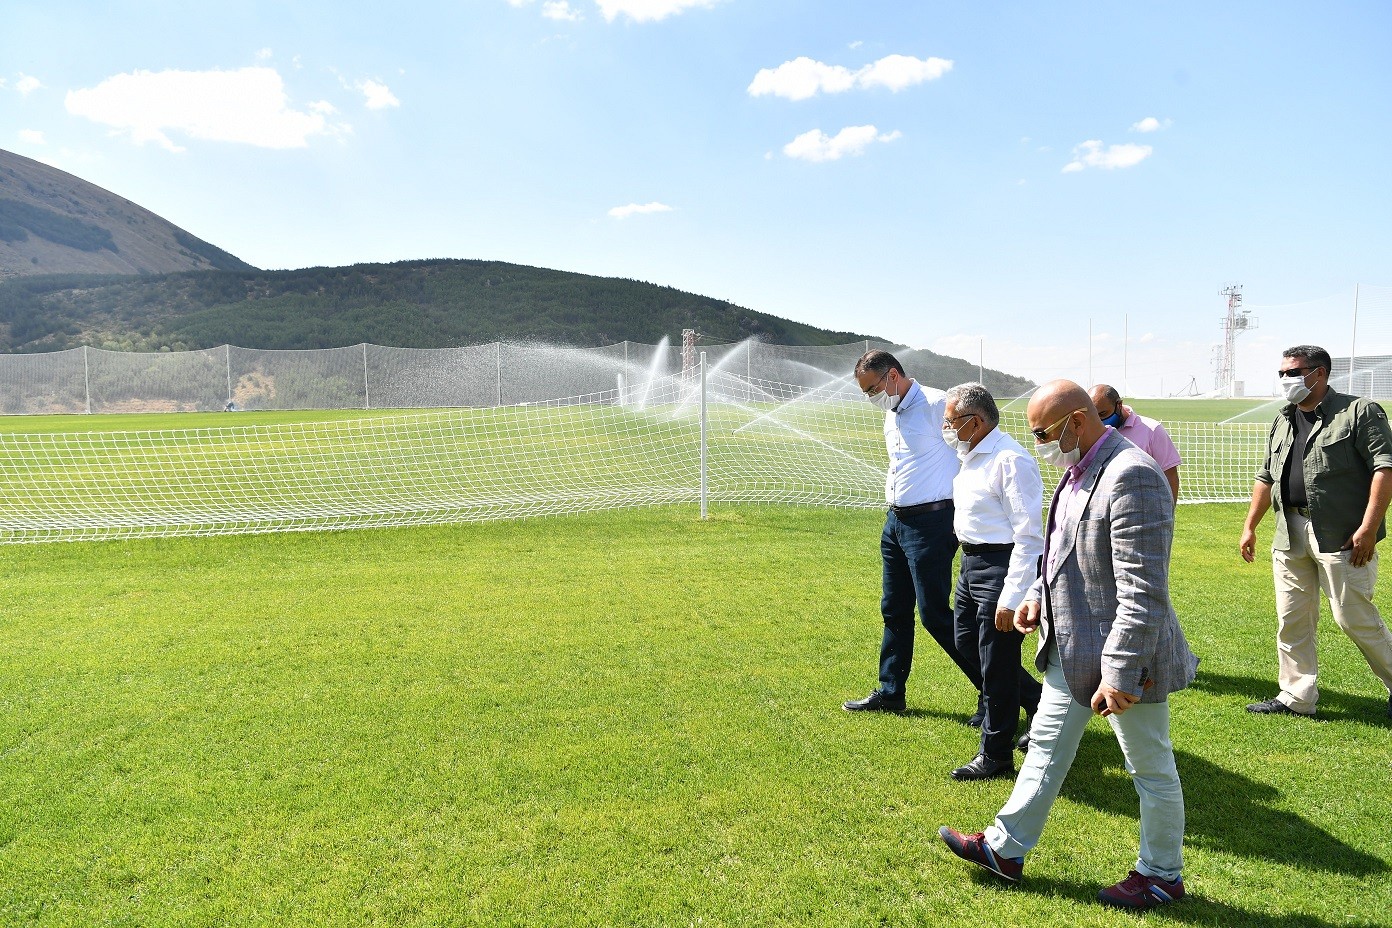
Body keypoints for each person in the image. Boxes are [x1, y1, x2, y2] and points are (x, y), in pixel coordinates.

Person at [939, 380, 1199, 911]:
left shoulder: (1133, 477)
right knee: (1044, 751)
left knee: (1149, 765)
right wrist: (1037, 595)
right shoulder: (1079, 470)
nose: (1038, 444)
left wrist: (1121, 672)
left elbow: (1143, 591)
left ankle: (1161, 875)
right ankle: (1004, 849)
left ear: (1077, 421)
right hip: (1070, 648)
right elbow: (1059, 553)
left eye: (1043, 433)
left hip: (1124, 660)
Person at [1239, 345, 1392, 720]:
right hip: (1288, 531)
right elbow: (1265, 475)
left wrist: (1368, 529)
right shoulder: (1283, 418)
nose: (1285, 381)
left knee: (1352, 616)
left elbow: (1384, 469)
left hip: (1341, 534)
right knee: (1292, 618)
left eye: (1293, 373)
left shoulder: (1359, 412)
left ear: (1319, 373)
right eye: (1281, 374)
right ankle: (1297, 696)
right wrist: (1250, 526)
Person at [843, 350, 981, 713]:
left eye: (872, 389)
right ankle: (891, 692)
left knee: (934, 614)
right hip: (896, 523)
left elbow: (973, 452)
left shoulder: (938, 405)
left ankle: (993, 692)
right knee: (894, 608)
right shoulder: (892, 415)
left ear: (892, 376)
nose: (872, 398)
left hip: (933, 523)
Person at [941, 382, 1044, 781]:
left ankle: (996, 754)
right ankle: (1035, 700)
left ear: (975, 421)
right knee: (967, 643)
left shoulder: (1009, 460)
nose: (946, 429)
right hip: (972, 564)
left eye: (951, 422)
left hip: (1002, 567)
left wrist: (1011, 595)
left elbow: (1030, 536)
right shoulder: (971, 454)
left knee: (997, 662)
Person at [1090, 384, 1181, 503]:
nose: (1100, 420)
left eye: (1103, 414)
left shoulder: (1152, 430)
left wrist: (1169, 513)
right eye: (1095, 415)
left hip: (1145, 510)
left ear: (1119, 405)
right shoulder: (1092, 432)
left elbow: (1170, 475)